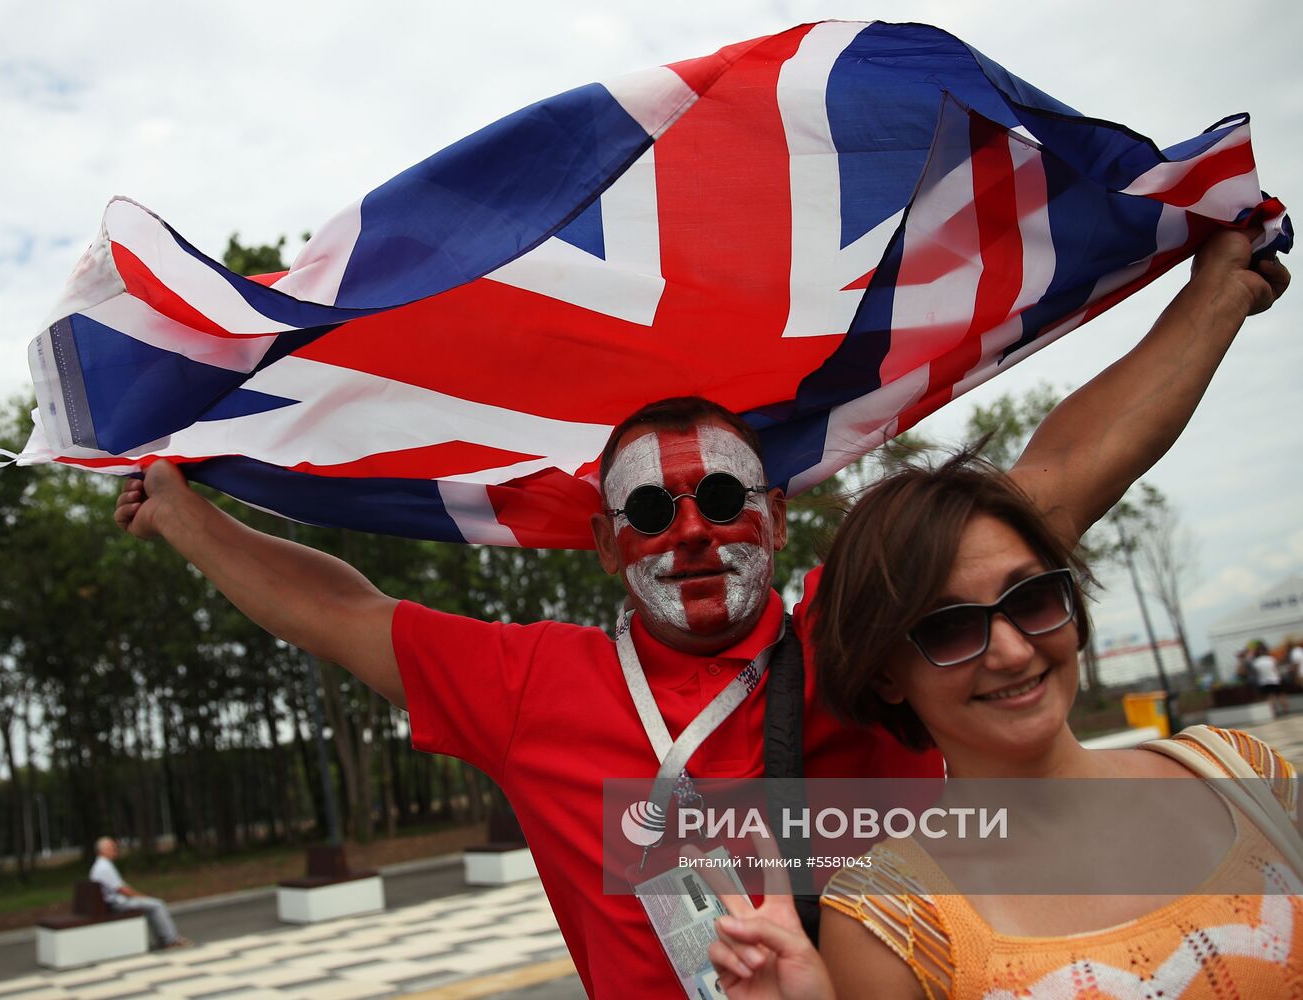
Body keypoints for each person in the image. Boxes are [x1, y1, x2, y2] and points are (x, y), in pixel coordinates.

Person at [112, 230, 1286, 996]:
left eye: (722, 498)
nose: (691, 530)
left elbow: (1053, 482)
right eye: (649, 508)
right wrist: (184, 517)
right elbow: (343, 610)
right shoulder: (530, 687)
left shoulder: (865, 631)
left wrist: (1217, 294)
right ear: (602, 541)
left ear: (775, 513)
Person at [705, 454, 1303, 998]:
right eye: (949, 628)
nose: (1014, 652)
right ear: (885, 673)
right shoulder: (885, 921)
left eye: (1032, 598)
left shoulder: (1242, 773)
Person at [89, 837, 190, 950]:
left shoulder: (101, 865)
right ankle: (170, 939)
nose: (115, 850)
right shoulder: (104, 867)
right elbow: (121, 889)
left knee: (151, 905)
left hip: (112, 902)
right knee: (157, 904)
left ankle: (163, 939)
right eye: (112, 847)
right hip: (116, 903)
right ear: (103, 850)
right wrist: (141, 897)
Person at [1252, 643, 1289, 715]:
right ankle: (1286, 710)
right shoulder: (1271, 659)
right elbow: (1276, 669)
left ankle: (1274, 712)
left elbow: (1257, 673)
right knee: (1281, 695)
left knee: (1270, 697)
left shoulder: (1256, 662)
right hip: (1275, 679)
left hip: (1264, 681)